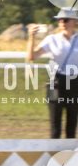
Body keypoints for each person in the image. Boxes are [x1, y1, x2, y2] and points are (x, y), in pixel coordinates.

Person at [28, 8, 78, 139]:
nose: (62, 22)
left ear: (74, 22)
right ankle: (54, 151)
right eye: (60, 20)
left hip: (74, 83)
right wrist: (31, 37)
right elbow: (32, 56)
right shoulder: (52, 39)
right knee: (55, 126)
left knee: (72, 125)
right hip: (55, 83)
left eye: (65, 20)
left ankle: (70, 152)